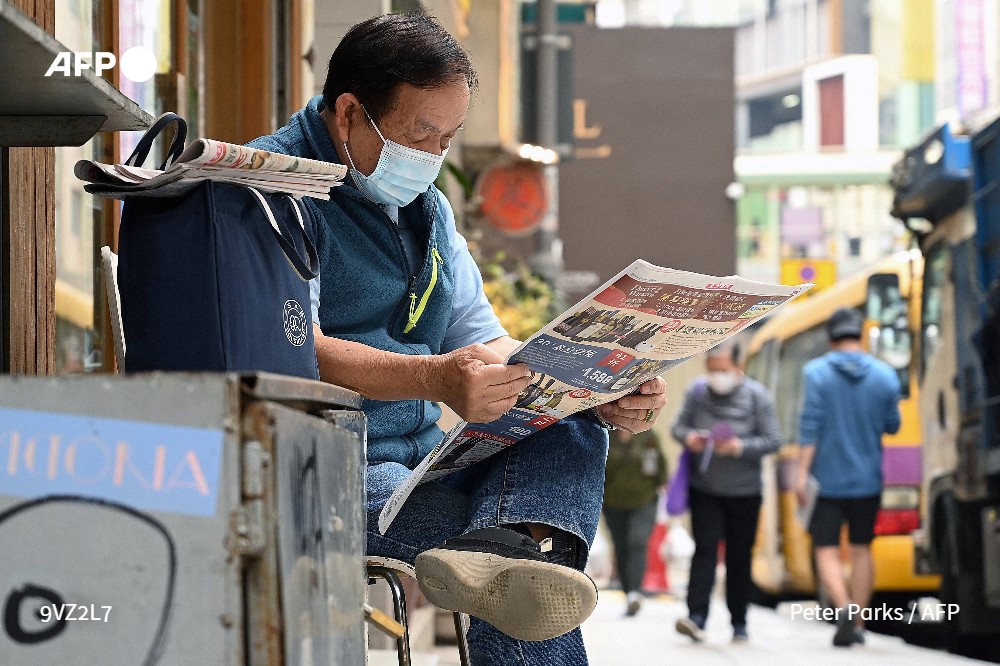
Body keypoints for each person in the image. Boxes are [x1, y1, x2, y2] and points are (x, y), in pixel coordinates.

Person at [248, 13, 668, 664]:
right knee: (526, 573)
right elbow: (296, 348)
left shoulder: (431, 210)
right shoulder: (273, 191)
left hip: (417, 464)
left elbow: (485, 339)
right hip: (321, 469)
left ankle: (508, 542)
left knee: (571, 433)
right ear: (351, 113)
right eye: (421, 134)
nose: (433, 156)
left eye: (448, 138)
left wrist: (589, 388)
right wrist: (437, 378)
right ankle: (508, 548)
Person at [795, 307, 901, 647]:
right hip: (868, 480)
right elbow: (893, 425)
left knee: (824, 548)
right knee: (861, 549)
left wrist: (800, 475)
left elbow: (809, 427)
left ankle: (841, 607)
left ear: (830, 337)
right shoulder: (886, 376)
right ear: (860, 334)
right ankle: (857, 622)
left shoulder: (816, 373)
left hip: (825, 481)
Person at [670, 340, 781, 643]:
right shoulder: (696, 392)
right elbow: (677, 427)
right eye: (711, 370)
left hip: (745, 493)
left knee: (739, 556)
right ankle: (696, 616)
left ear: (738, 367)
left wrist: (739, 448)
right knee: (704, 550)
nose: (717, 376)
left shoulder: (758, 397)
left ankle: (739, 620)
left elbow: (773, 440)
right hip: (705, 488)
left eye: (723, 370)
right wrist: (690, 438)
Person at [602, 428, 668, 617]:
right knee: (621, 546)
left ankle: (635, 592)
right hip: (613, 502)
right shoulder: (607, 435)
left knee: (637, 542)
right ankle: (628, 591)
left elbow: (660, 467)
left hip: (644, 500)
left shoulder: (648, 436)